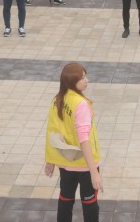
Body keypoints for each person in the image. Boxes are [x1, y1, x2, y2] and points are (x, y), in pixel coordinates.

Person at [44, 63, 102, 222]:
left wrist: (50, 160)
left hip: (65, 162)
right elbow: (84, 139)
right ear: (71, 81)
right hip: (84, 163)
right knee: (89, 203)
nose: (87, 80)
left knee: (65, 199)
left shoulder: (57, 99)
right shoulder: (80, 104)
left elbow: (52, 130)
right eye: (82, 78)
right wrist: (94, 172)